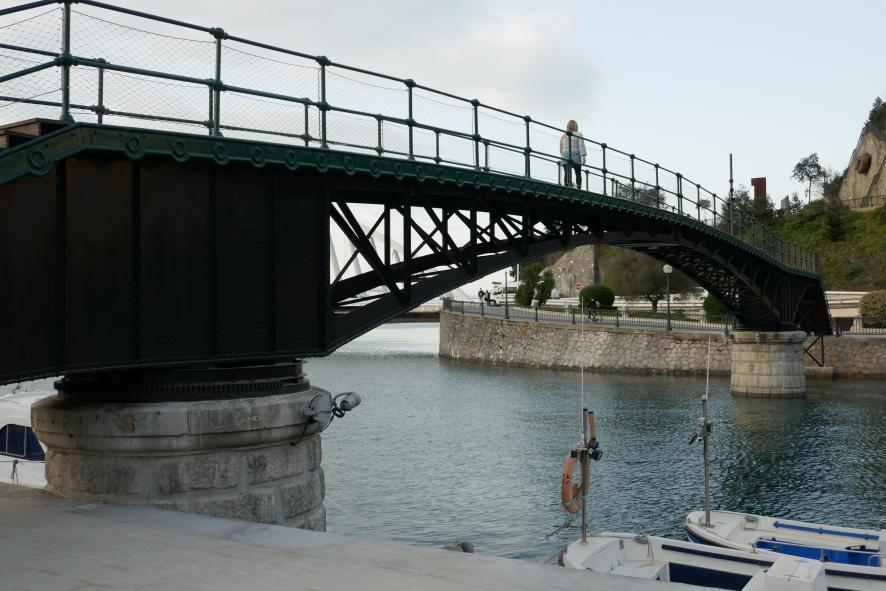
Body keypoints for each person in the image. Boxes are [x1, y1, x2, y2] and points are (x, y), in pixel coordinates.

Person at [559, 120, 587, 189]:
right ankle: (579, 187)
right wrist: (583, 156)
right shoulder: (579, 134)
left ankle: (567, 187)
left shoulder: (563, 136)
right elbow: (581, 145)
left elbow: (561, 149)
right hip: (576, 154)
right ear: (576, 126)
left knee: (567, 173)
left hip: (565, 154)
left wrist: (562, 155)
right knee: (578, 173)